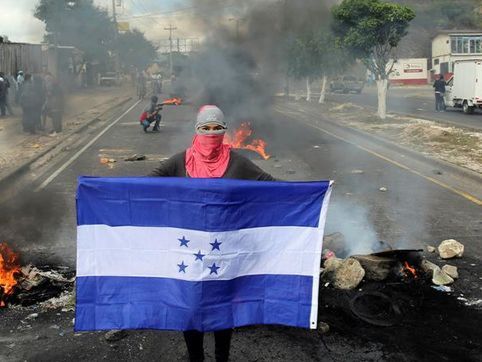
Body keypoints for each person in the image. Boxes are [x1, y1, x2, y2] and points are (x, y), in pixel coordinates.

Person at [150, 105, 275, 362]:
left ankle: (222, 357)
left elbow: (269, 184)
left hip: (224, 249)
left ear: (224, 130)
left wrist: (311, 193)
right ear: (196, 130)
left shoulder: (237, 162)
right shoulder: (179, 161)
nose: (211, 132)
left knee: (223, 308)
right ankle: (195, 356)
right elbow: (149, 182)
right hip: (189, 249)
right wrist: (107, 189)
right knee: (190, 307)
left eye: (216, 128)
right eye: (205, 128)